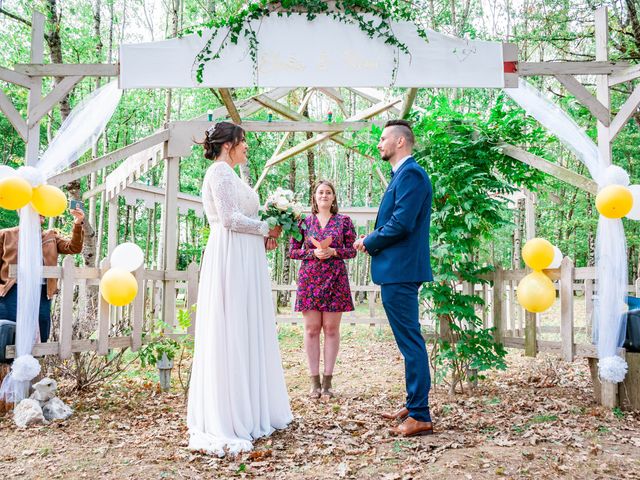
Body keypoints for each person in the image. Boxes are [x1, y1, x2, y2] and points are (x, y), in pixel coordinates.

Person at [187, 122, 292, 456]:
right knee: (230, 328)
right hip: (228, 256)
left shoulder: (234, 175)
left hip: (245, 257)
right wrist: (265, 227)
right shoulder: (218, 172)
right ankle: (229, 413)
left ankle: (251, 408)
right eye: (243, 141)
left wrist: (266, 236)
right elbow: (230, 219)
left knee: (247, 327)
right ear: (229, 144)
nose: (247, 146)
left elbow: (243, 218)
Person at [354, 119, 434, 437]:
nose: (379, 143)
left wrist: (370, 241)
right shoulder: (401, 175)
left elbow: (402, 223)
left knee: (411, 342)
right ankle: (414, 404)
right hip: (396, 270)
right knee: (407, 342)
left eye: (384, 138)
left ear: (401, 142)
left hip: (401, 271)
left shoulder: (411, 174)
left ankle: (420, 414)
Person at [288, 180, 356, 398]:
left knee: (331, 329)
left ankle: (328, 381)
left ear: (334, 197)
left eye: (328, 192)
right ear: (314, 197)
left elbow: (352, 250)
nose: (324, 195)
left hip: (335, 279)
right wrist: (312, 254)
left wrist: (334, 252)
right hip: (310, 280)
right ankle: (314, 381)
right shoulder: (303, 223)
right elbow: (292, 251)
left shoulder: (344, 221)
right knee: (311, 329)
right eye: (320, 192)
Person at [0, 208, 85, 343]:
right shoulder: (5, 235)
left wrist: (78, 223)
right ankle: (7, 364)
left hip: (42, 291)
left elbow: (74, 248)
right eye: (36, 210)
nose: (42, 214)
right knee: (9, 331)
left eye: (42, 211)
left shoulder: (50, 237)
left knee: (42, 326)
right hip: (12, 291)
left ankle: (36, 361)